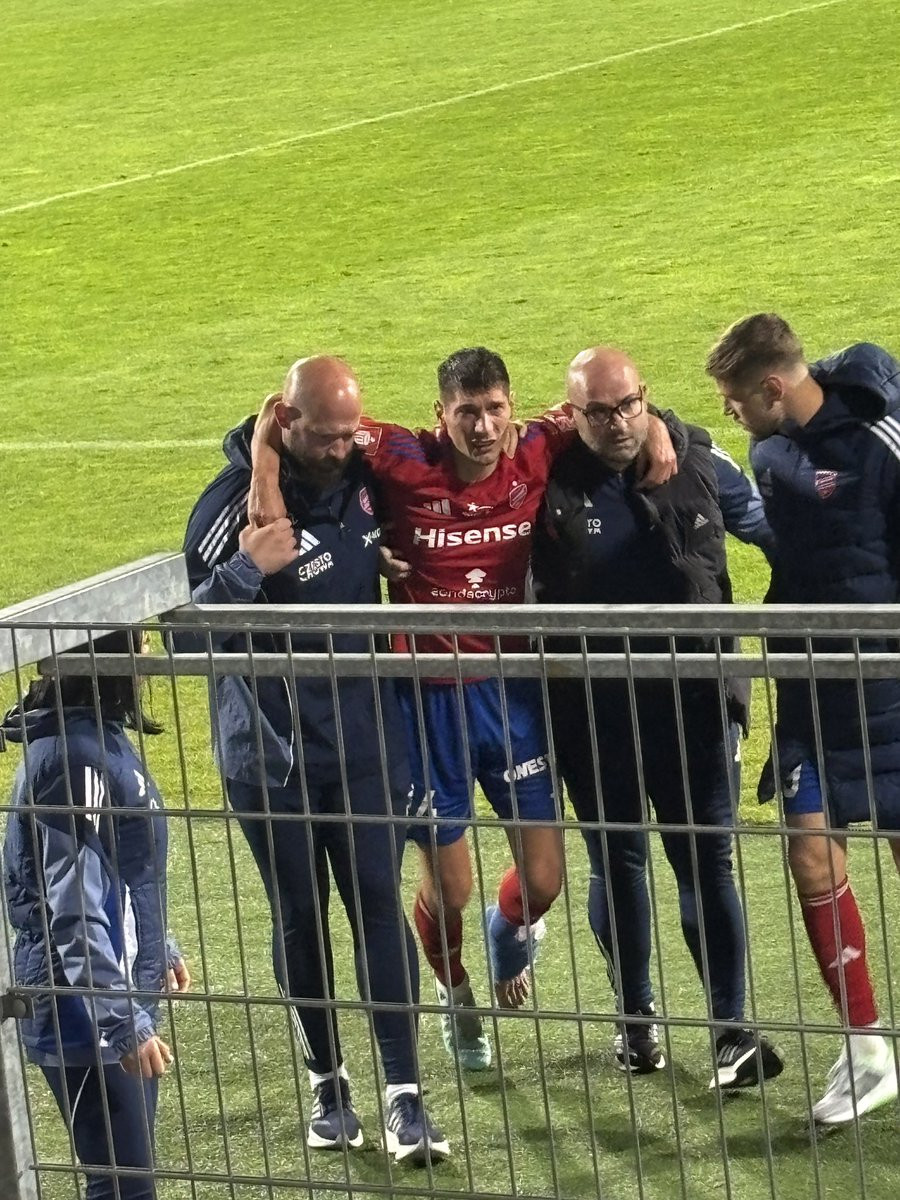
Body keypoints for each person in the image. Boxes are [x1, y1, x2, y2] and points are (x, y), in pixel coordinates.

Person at [247, 347, 678, 1072]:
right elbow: (275, 410)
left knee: (543, 882)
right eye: (466, 412)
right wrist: (264, 474)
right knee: (449, 889)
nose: (482, 427)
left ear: (513, 408)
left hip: (510, 694)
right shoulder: (398, 455)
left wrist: (659, 426)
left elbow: (614, 409)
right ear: (440, 415)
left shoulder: (539, 445)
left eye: (494, 409)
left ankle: (507, 938)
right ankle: (457, 994)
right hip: (424, 702)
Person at [183, 356, 447, 1164]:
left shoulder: (364, 475)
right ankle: (328, 1087)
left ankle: (406, 1098)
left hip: (364, 742)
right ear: (285, 420)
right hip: (273, 756)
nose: (341, 448)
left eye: (349, 433)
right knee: (300, 914)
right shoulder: (228, 507)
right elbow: (187, 634)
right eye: (326, 436)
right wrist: (248, 569)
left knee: (377, 904)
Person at [533, 346, 784, 1091]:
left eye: (629, 405)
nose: (618, 422)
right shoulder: (543, 478)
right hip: (593, 711)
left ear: (646, 396)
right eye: (598, 411)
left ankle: (731, 1030)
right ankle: (636, 1019)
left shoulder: (697, 457)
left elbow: (774, 530)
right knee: (620, 860)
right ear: (571, 414)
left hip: (698, 703)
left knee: (707, 860)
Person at [706, 313, 900, 1124]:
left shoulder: (882, 438)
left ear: (771, 387)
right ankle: (867, 1051)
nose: (730, 413)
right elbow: (792, 544)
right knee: (811, 858)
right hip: (809, 691)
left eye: (734, 399)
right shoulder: (769, 452)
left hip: (890, 691)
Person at [2, 630, 190, 1200]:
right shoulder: (73, 758)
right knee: (122, 1185)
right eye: (139, 644)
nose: (148, 657)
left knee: (127, 1179)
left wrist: (160, 944)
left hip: (108, 992)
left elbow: (122, 866)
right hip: (80, 1009)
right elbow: (75, 908)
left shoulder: (95, 738)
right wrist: (121, 1020)